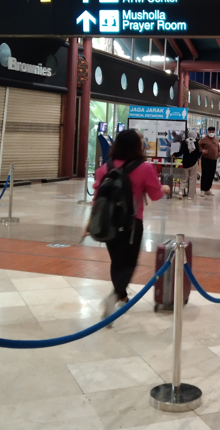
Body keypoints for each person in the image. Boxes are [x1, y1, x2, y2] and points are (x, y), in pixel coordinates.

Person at [84, 129, 170, 320]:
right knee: (129, 263)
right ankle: (115, 295)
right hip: (131, 224)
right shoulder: (145, 168)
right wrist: (164, 188)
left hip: (108, 223)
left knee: (117, 261)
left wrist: (89, 223)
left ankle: (121, 295)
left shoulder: (104, 168)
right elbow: (155, 195)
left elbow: (97, 198)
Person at [174, 130, 201, 199]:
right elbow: (198, 154)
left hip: (185, 163)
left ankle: (180, 192)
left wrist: (174, 154)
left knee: (184, 179)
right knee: (192, 180)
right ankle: (190, 196)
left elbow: (181, 152)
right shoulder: (196, 142)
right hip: (194, 163)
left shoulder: (184, 142)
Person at [198, 126, 220, 196]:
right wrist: (202, 151)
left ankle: (208, 189)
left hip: (214, 160)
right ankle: (203, 189)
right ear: (208, 132)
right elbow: (198, 146)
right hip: (206, 159)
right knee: (205, 174)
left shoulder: (216, 139)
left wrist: (219, 152)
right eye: (210, 132)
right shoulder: (203, 139)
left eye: (212, 132)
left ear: (214, 132)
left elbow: (218, 148)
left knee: (211, 175)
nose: (211, 133)